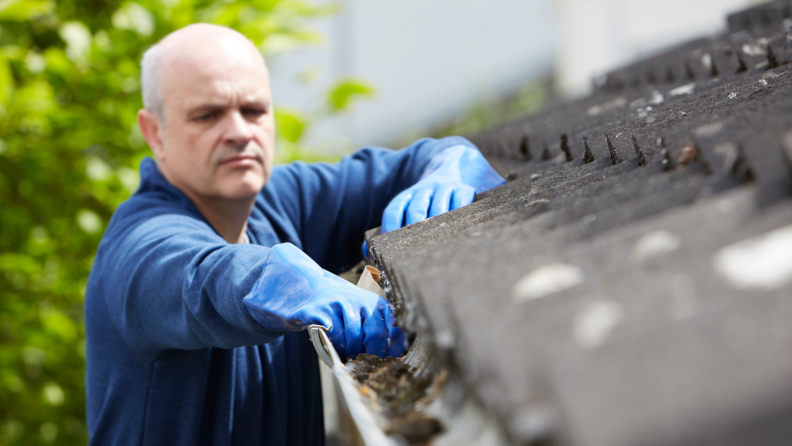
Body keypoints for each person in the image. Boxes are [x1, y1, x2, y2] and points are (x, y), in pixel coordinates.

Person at [84, 23, 504, 445]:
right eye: (207, 115)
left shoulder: (286, 199)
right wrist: (273, 278)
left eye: (254, 110)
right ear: (154, 132)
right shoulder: (136, 246)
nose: (239, 131)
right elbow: (200, 278)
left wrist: (451, 165)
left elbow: (425, 158)